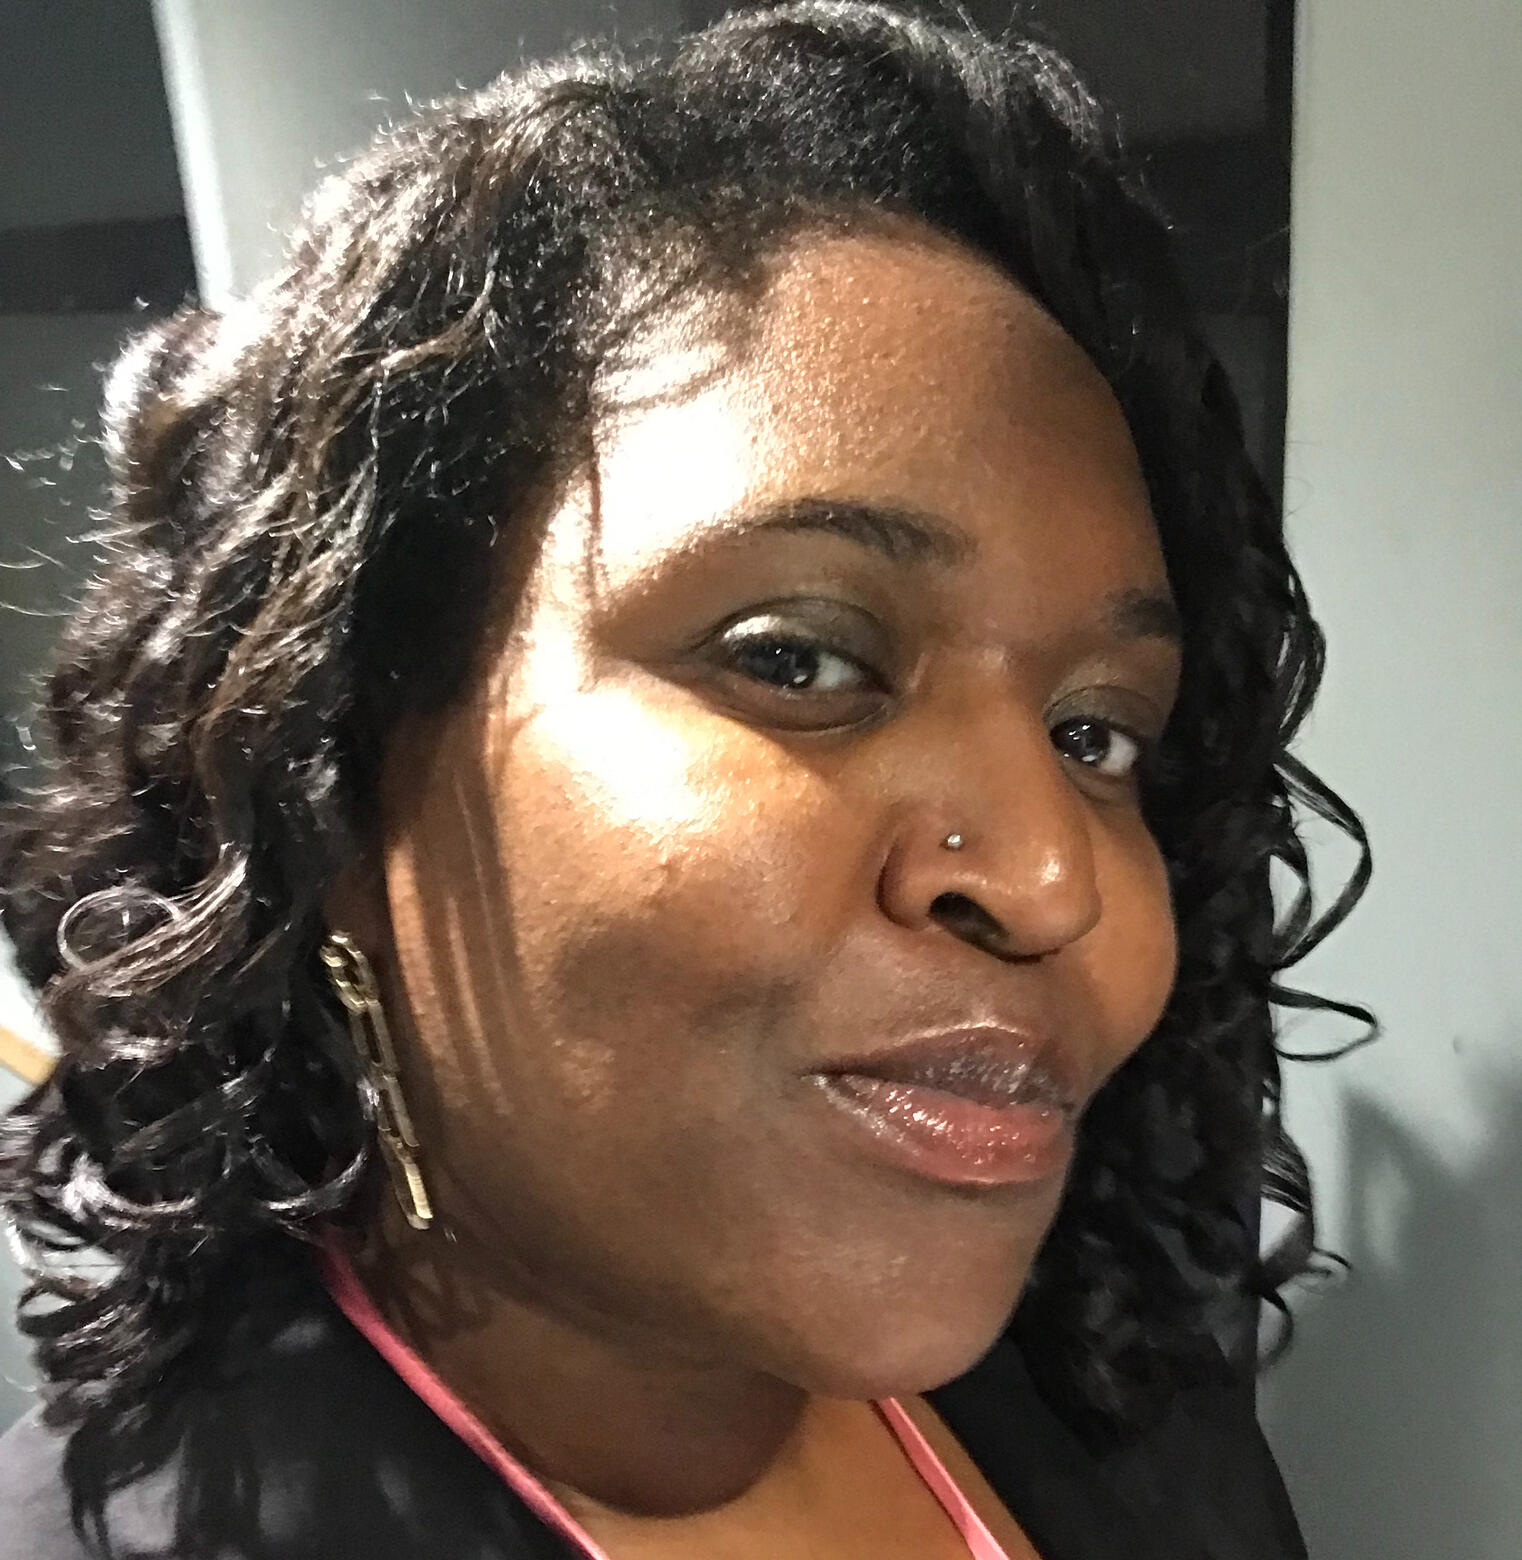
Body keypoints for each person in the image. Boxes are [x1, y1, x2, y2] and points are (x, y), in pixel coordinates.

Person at [0, 4, 1371, 1556]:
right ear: (332, 769)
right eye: (796, 659)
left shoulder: (1128, 1429)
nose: (1051, 878)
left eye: (1094, 735)